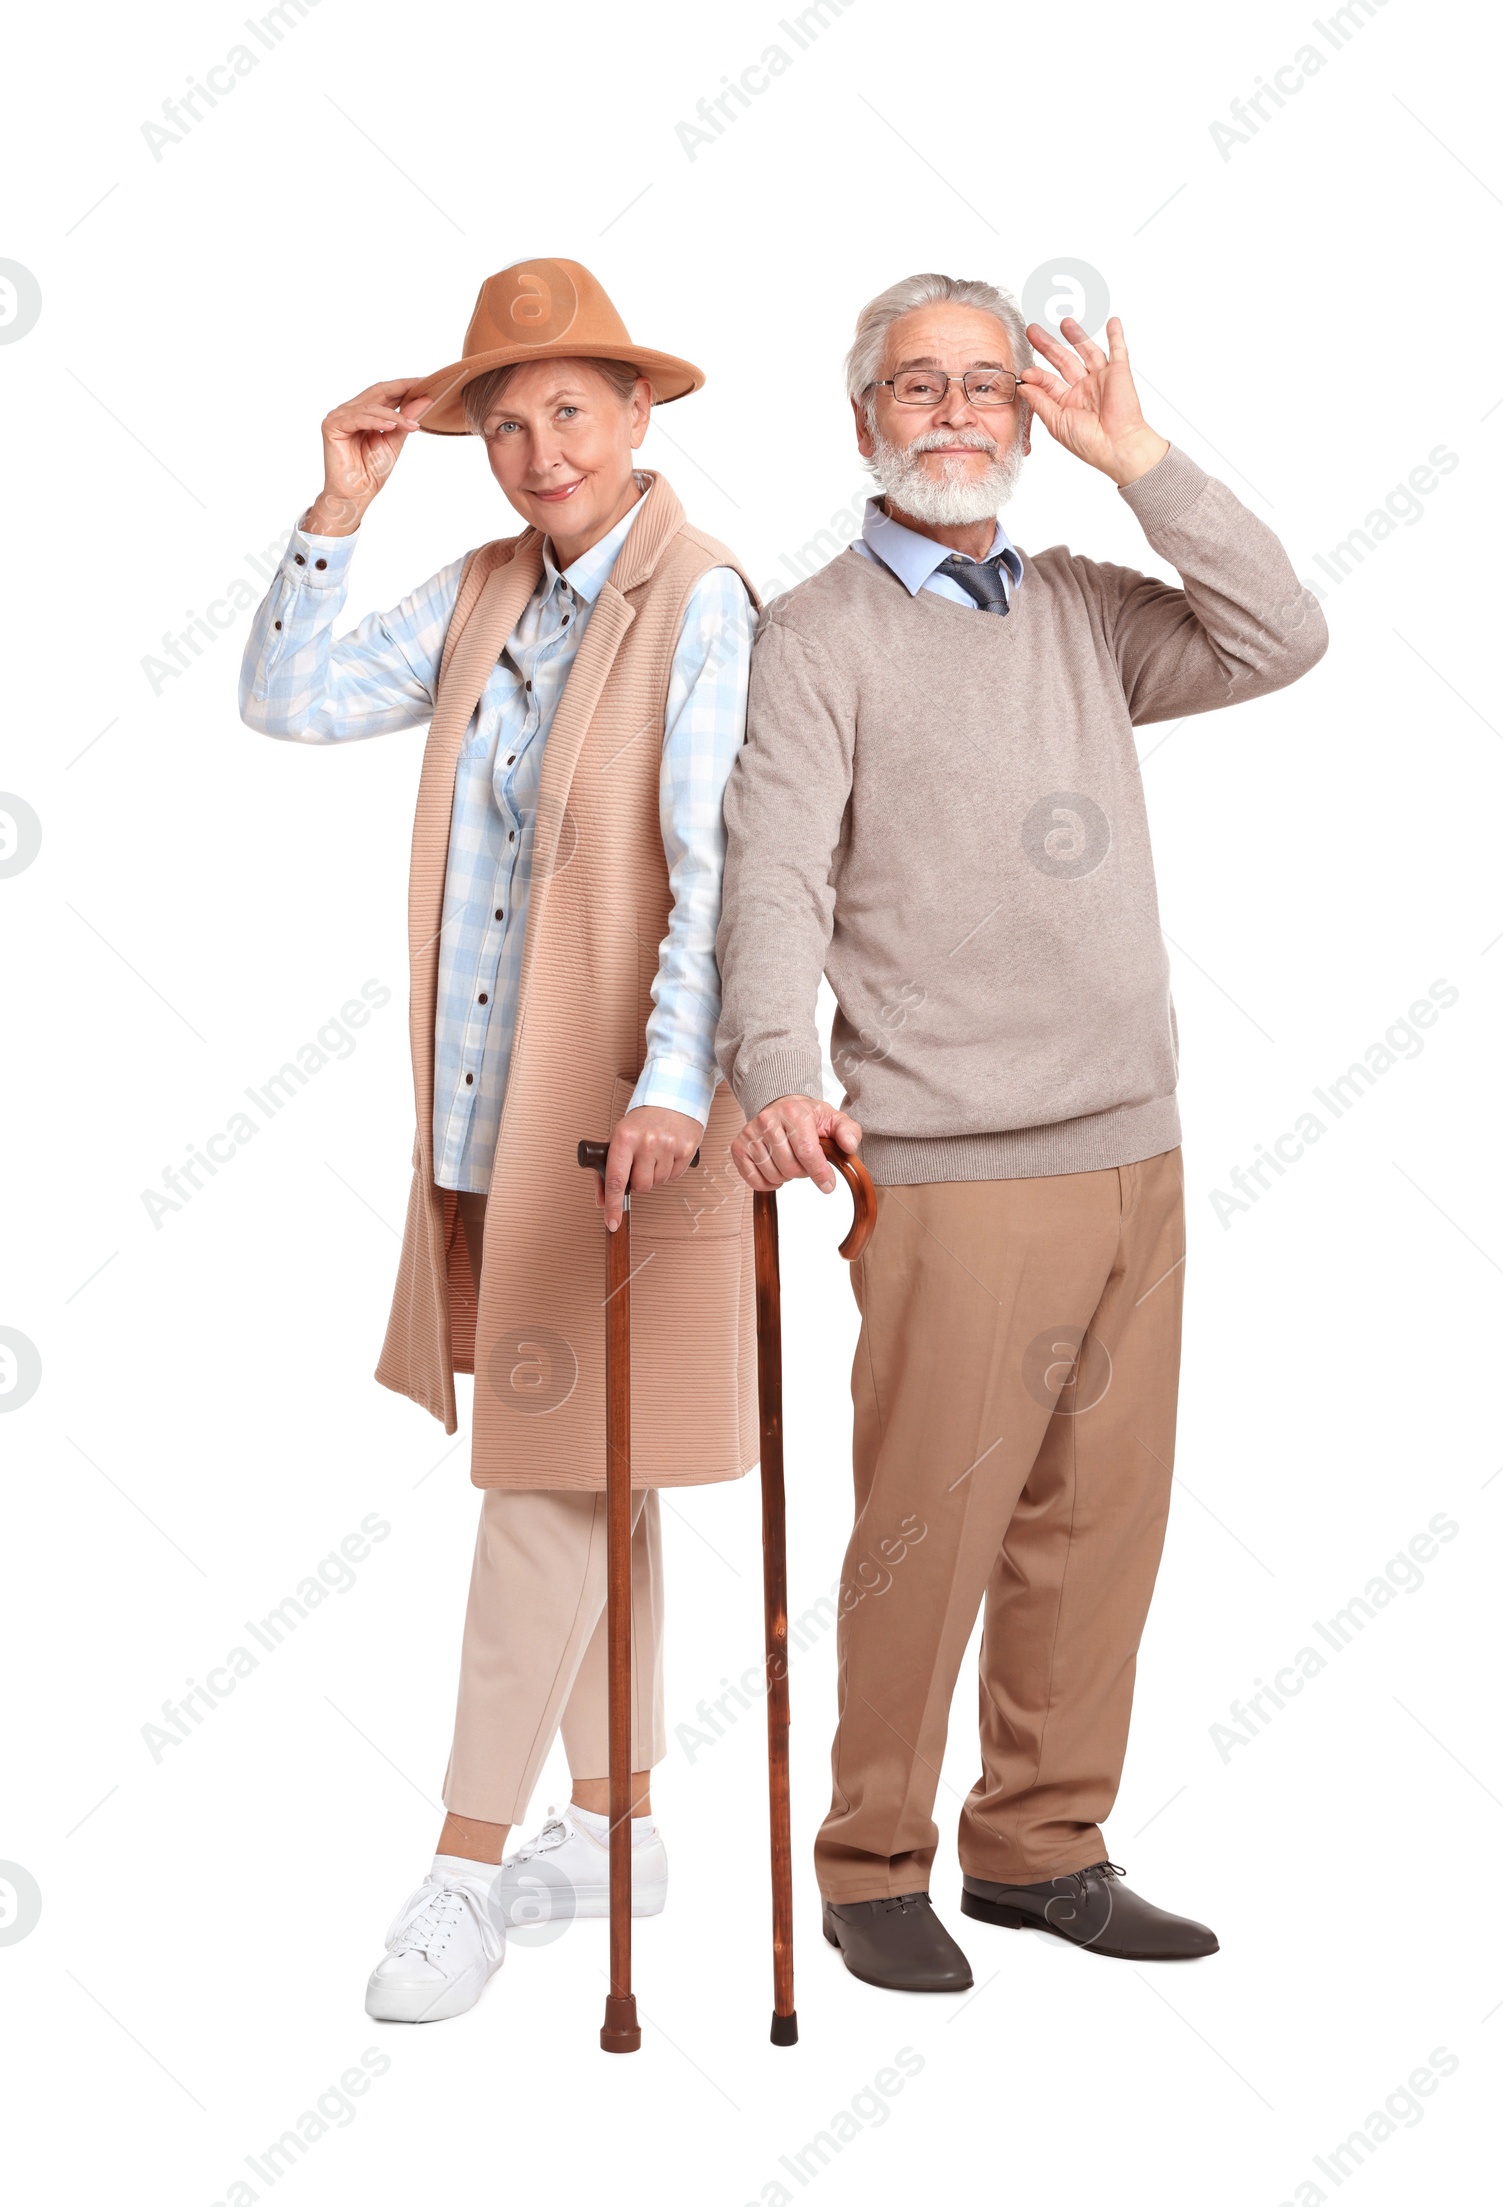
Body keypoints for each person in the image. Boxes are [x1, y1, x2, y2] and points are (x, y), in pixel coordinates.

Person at [714, 271, 1327, 1992]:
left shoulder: (1078, 602)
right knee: (930, 1525)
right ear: (865, 422)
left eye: (991, 383)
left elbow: (1281, 636)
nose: (962, 411)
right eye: (922, 385)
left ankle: (1044, 1850)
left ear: (1029, 419)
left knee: (1095, 1524)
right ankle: (870, 1865)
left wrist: (1143, 461)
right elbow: (768, 880)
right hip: (951, 1166)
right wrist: (777, 1068)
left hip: (1137, 1142)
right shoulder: (815, 635)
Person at [238, 258, 758, 2023]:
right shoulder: (479, 593)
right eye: (507, 420)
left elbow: (715, 871)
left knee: (546, 1478)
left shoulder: (702, 602)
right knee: (595, 1473)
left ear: (637, 415)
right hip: (480, 1124)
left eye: (571, 411)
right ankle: (616, 1836)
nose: (539, 449)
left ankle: (463, 1865)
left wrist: (674, 1088)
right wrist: (336, 506)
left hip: (627, 1128)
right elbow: (286, 700)